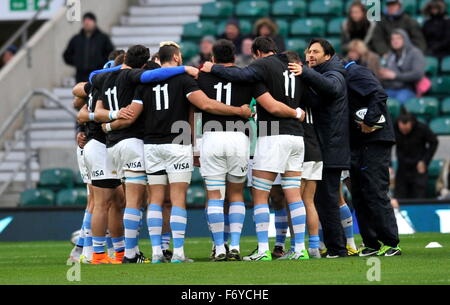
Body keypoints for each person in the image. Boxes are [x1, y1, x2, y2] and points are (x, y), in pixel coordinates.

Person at [128, 42, 252, 263]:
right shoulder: (184, 79)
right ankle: (178, 253)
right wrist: (238, 112)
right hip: (178, 142)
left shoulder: (144, 82)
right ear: (176, 57)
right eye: (181, 56)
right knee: (178, 200)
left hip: (151, 145)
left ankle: (157, 253)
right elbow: (204, 105)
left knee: (155, 199)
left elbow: (133, 112)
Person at [202, 37, 310, 261]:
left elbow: (264, 99)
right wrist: (298, 113)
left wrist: (211, 68)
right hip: (297, 138)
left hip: (273, 136)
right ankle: (300, 248)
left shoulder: (262, 68)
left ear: (258, 53)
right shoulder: (297, 69)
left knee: (260, 195)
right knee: (293, 194)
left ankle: (262, 250)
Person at [91, 44, 199, 263]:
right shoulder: (137, 78)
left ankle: (144, 252)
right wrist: (185, 69)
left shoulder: (105, 77)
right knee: (148, 200)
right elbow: (131, 116)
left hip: (115, 145)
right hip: (136, 143)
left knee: (142, 201)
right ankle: (146, 253)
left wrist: (108, 124)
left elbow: (88, 87)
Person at [289, 38, 349, 258]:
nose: (310, 55)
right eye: (308, 52)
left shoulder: (335, 73)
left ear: (328, 55)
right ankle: (337, 246)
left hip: (332, 147)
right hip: (326, 146)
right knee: (325, 200)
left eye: (315, 52)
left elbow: (331, 89)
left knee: (329, 200)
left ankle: (338, 249)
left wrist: (304, 72)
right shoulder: (323, 74)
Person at [344, 59, 401, 256]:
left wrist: (369, 120)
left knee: (375, 190)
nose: (311, 56)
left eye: (315, 51)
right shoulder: (344, 76)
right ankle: (371, 242)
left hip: (375, 140)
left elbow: (379, 94)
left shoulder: (355, 72)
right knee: (359, 194)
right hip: (358, 142)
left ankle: (391, 243)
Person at [394, 112, 439, 199]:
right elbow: (386, 145)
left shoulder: (421, 128)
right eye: (402, 130)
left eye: (406, 130)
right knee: (399, 198)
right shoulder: (394, 127)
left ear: (411, 123)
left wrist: (425, 161)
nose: (404, 132)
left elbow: (434, 142)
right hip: (402, 168)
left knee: (419, 198)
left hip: (418, 167)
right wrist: (389, 165)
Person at [63, 12, 114, 82]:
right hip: (80, 76)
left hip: (98, 74)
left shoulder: (103, 38)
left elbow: (111, 54)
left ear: (94, 22)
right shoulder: (76, 39)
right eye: (85, 21)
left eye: (89, 21)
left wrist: (101, 63)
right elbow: (66, 55)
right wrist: (77, 62)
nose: (87, 23)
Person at [379, 29, 425, 104]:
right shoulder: (390, 54)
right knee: (377, 102)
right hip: (389, 88)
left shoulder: (415, 53)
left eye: (398, 38)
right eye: (393, 39)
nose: (395, 41)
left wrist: (395, 76)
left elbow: (418, 74)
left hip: (407, 89)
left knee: (396, 104)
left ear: (405, 39)